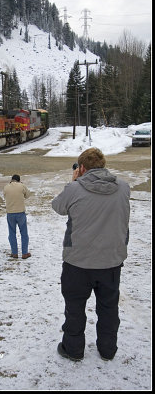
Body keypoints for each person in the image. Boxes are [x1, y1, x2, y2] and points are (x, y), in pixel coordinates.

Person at [52, 147, 130, 362]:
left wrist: (74, 181)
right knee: (108, 308)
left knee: (75, 308)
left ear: (82, 168)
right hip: (111, 261)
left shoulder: (74, 188)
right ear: (103, 166)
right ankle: (107, 350)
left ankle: (73, 349)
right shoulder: (123, 187)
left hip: (77, 262)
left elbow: (58, 207)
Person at [3, 174, 31, 259]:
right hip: (20, 213)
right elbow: (27, 195)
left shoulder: (6, 187)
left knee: (12, 233)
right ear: (19, 180)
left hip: (10, 213)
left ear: (11, 180)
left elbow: (5, 196)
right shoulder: (22, 186)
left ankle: (14, 253)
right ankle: (24, 253)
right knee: (24, 233)